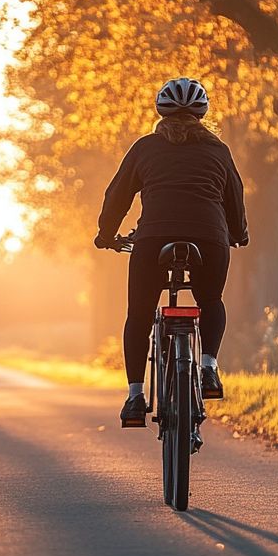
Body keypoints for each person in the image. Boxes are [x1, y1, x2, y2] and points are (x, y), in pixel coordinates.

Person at [93, 77, 248, 428]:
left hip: (152, 240)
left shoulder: (145, 148)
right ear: (202, 115)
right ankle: (208, 367)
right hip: (210, 240)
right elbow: (234, 200)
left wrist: (106, 234)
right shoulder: (218, 151)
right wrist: (238, 234)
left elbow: (117, 195)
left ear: (160, 113)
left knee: (139, 313)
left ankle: (135, 396)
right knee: (210, 299)